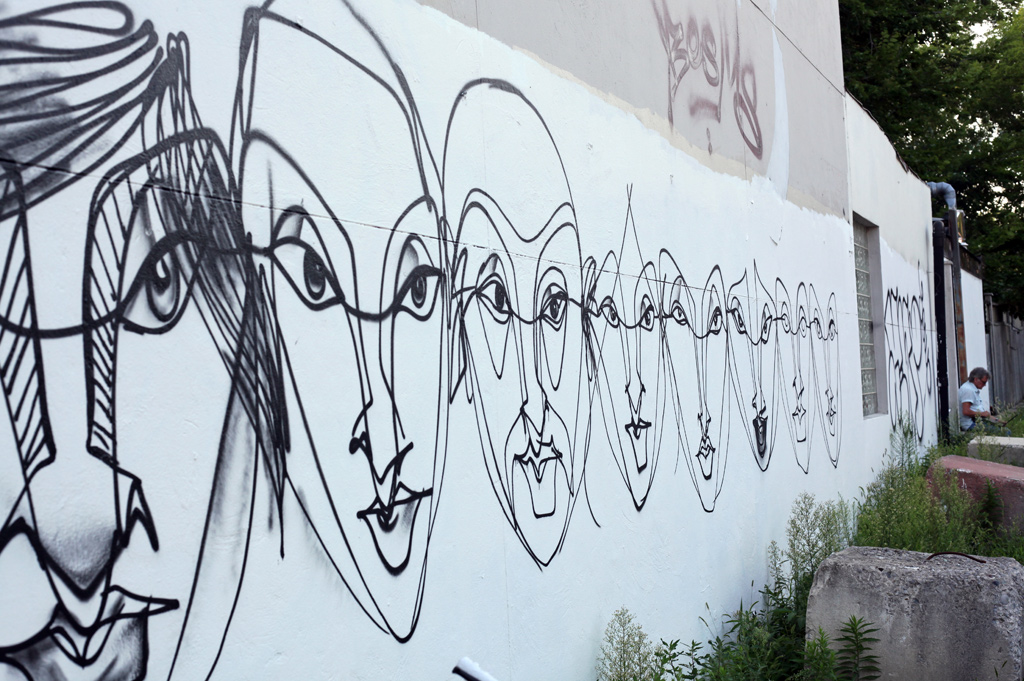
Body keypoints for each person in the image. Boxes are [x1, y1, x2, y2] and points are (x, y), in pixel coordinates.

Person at [959, 367, 1001, 432]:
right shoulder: (968, 390)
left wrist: (997, 420)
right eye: (983, 382)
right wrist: (982, 414)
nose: (985, 385)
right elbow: (966, 411)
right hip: (970, 424)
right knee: (1005, 432)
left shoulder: (972, 388)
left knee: (1000, 428)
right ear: (976, 379)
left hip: (977, 421)